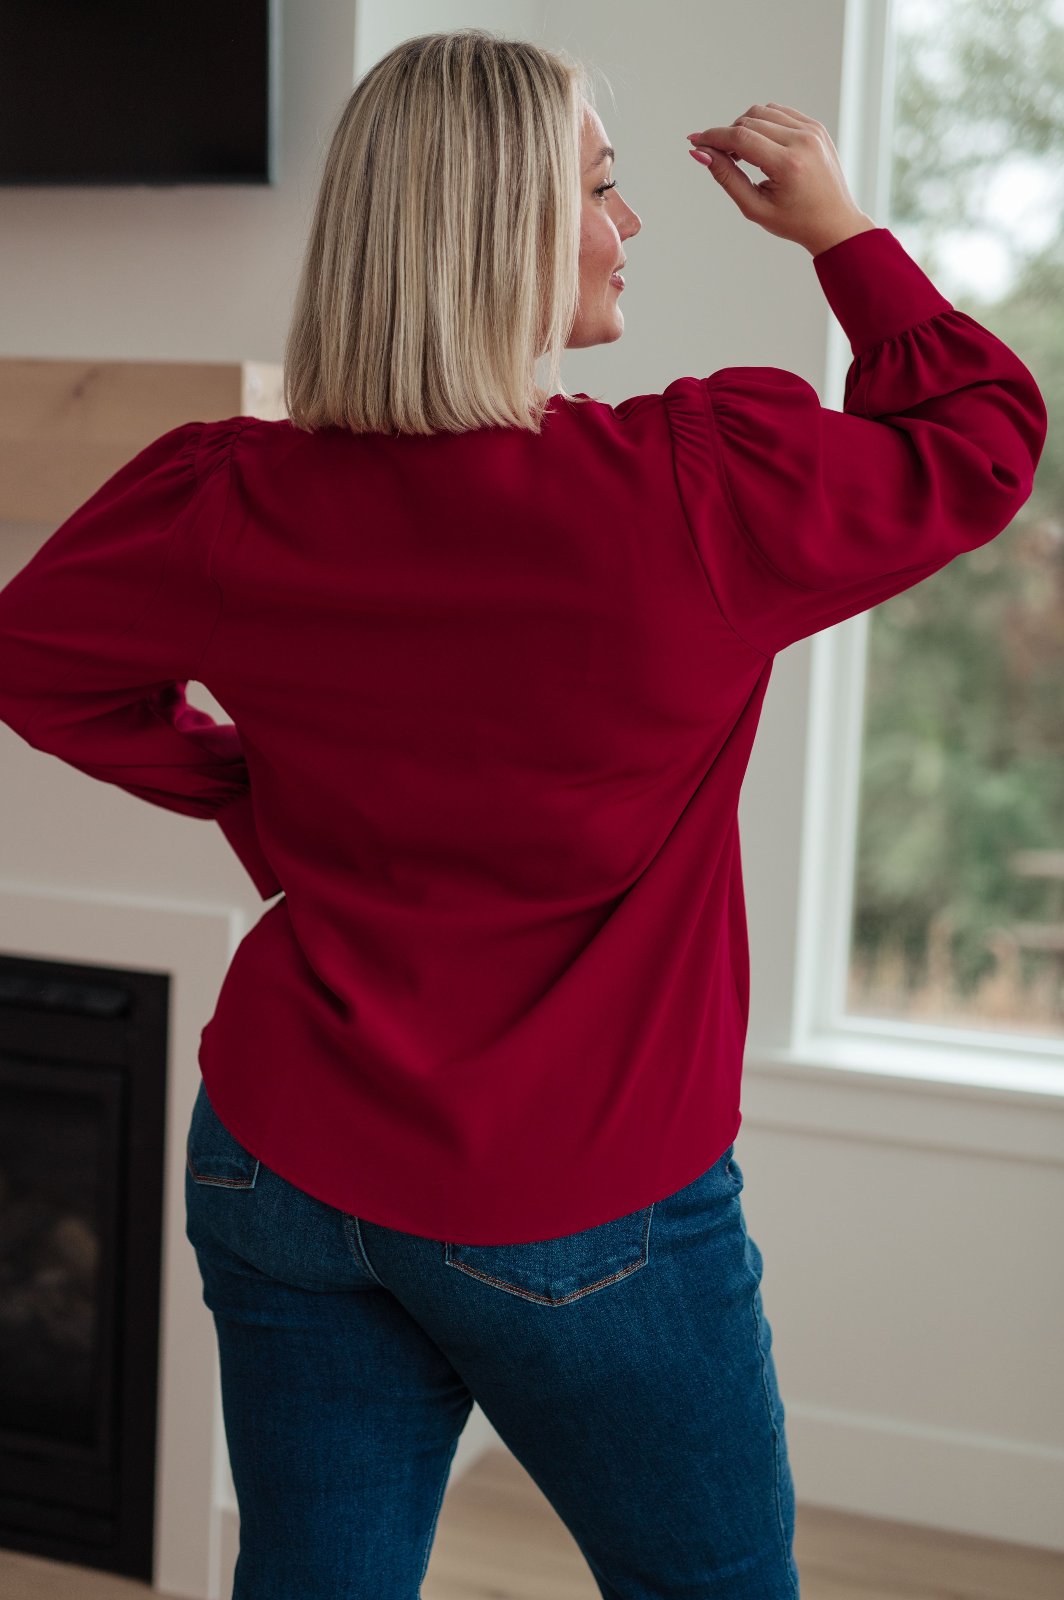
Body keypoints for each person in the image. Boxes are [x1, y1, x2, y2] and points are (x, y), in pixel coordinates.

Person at [0, 28, 1046, 1600]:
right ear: (496, 232)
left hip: (282, 1166)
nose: (632, 226)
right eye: (603, 191)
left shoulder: (222, 497)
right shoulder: (700, 492)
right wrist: (840, 234)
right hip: (583, 1204)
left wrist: (247, 797)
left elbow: (36, 666)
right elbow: (981, 437)